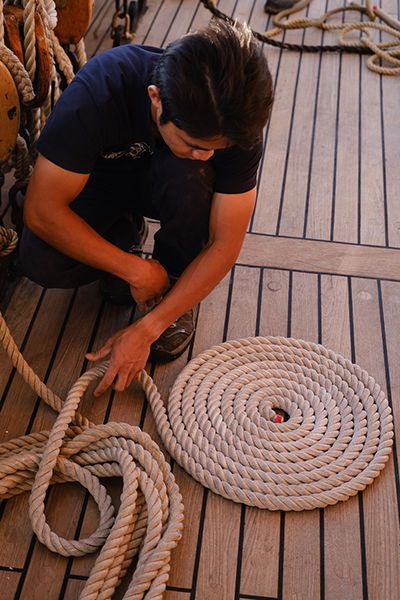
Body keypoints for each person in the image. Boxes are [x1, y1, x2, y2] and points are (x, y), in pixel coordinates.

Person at [19, 19, 273, 396]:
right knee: (39, 260)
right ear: (156, 98)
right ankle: (123, 241)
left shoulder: (234, 124)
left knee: (193, 175)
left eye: (216, 149)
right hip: (97, 181)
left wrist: (149, 327)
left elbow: (225, 242)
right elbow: (41, 210)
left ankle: (171, 288)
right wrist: (134, 270)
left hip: (170, 183)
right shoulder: (99, 91)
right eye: (194, 144)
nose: (207, 154)